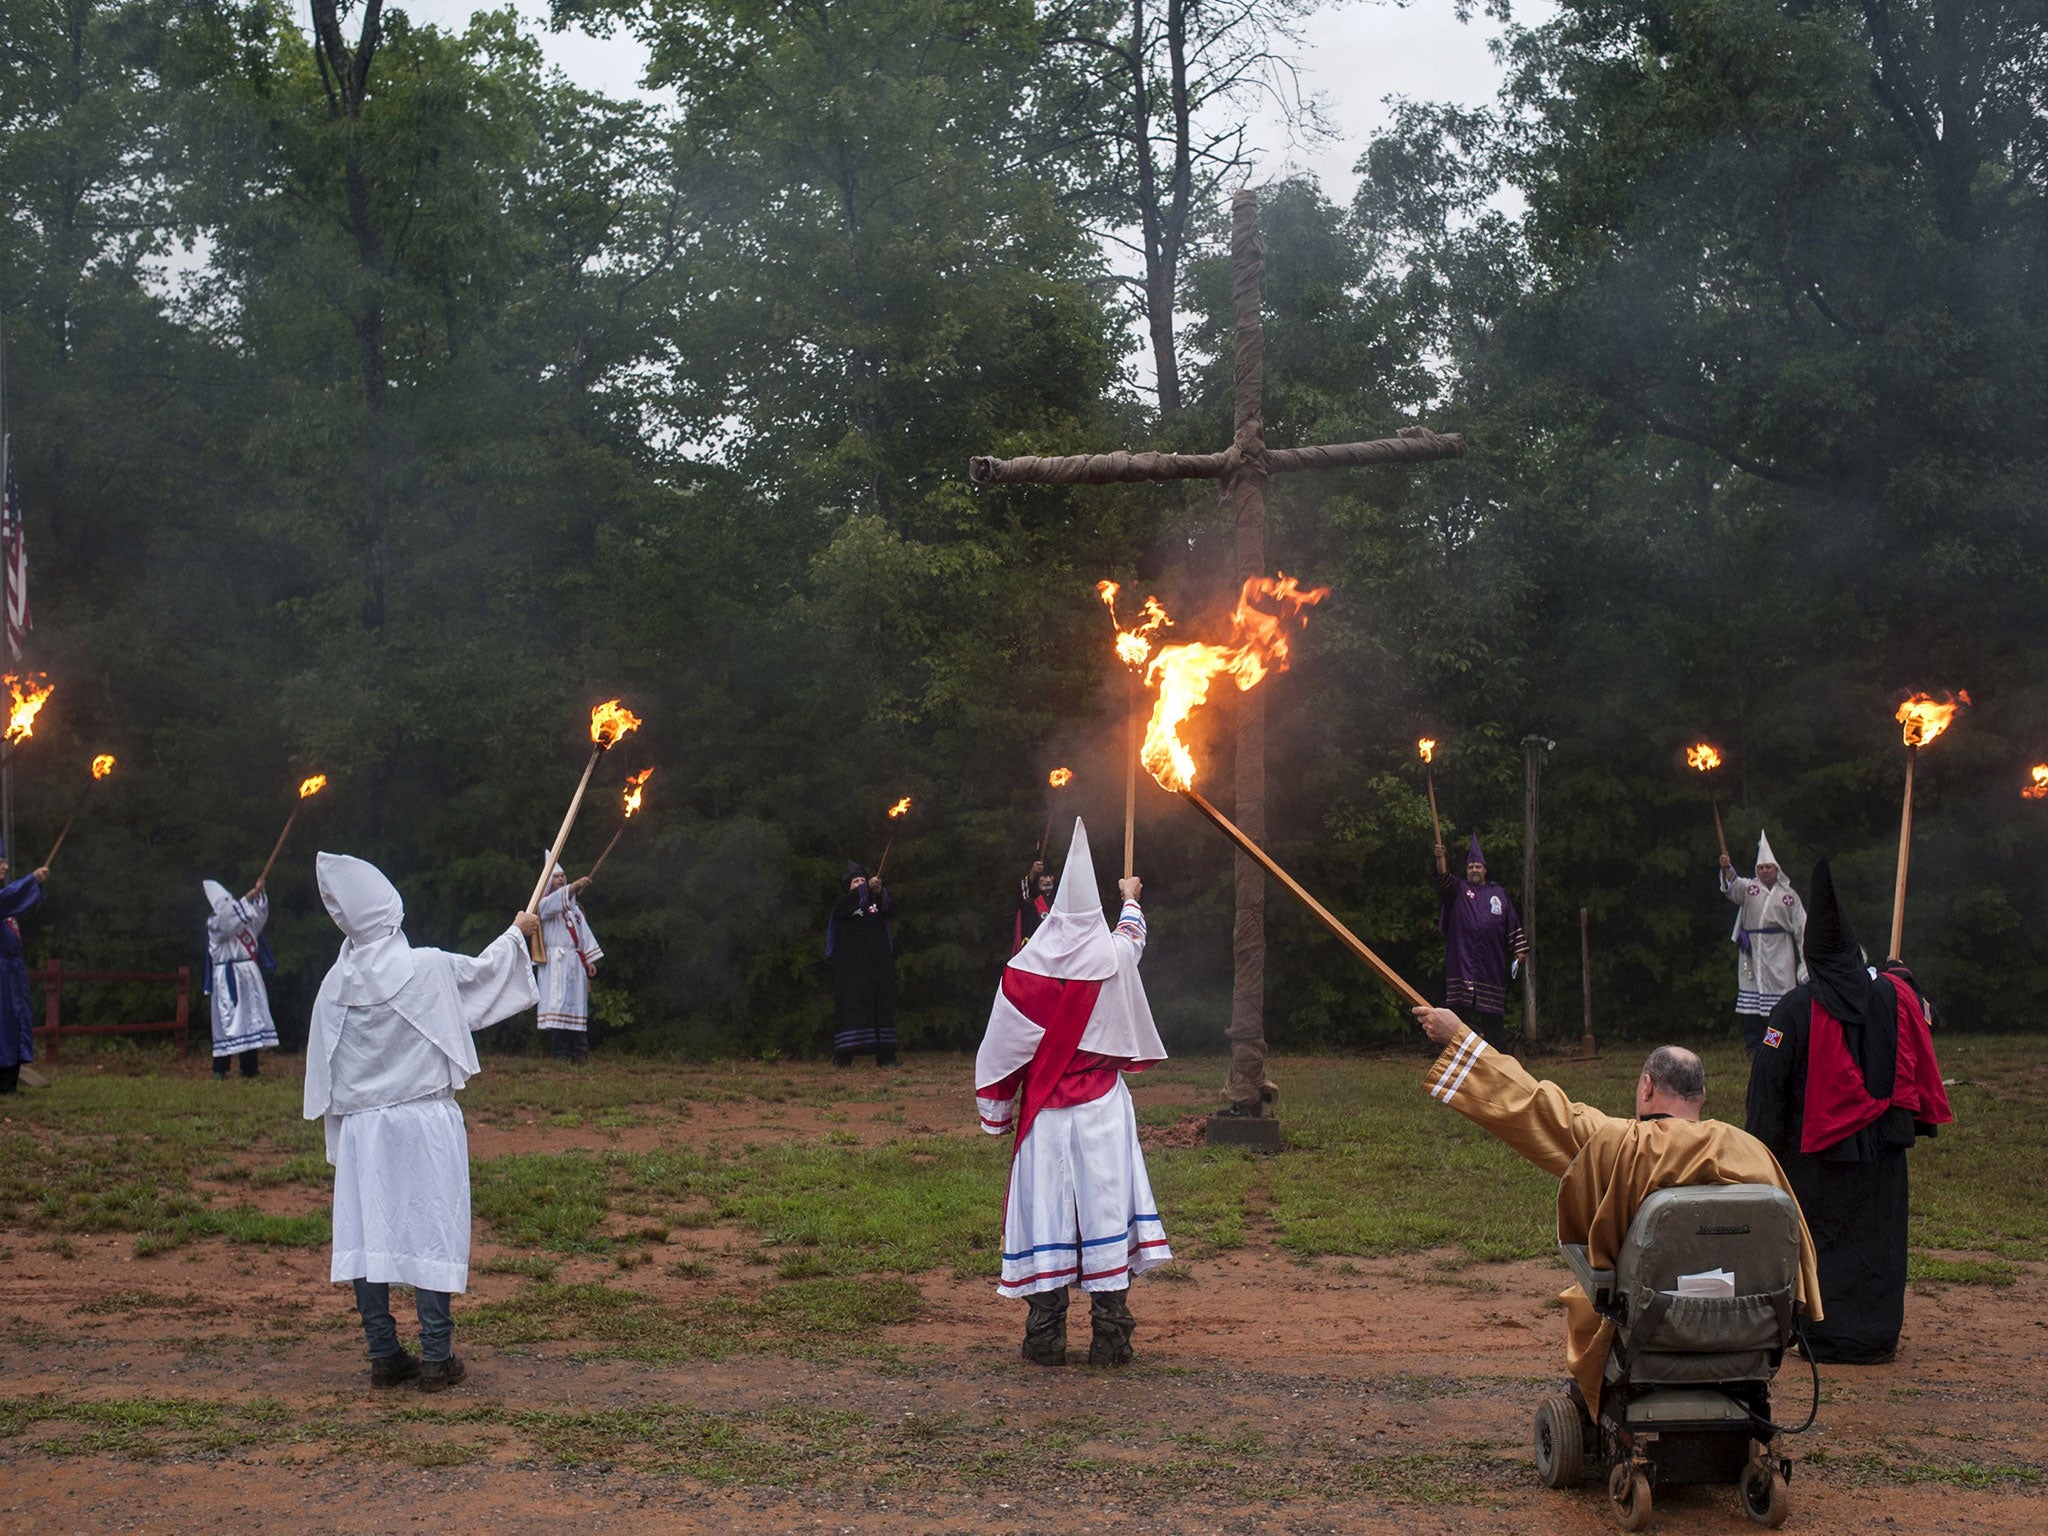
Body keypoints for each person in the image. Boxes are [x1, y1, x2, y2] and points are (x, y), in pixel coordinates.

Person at [1414, 1003, 1821, 1415]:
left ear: (1646, 1087)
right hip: (1743, 1328)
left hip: (1648, 1324)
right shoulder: (1753, 1153)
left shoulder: (1617, 1144)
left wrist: (1459, 1037)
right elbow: (1795, 1249)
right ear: (1701, 1095)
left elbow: (1534, 1103)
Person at [303, 853, 541, 1392]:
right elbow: (483, 982)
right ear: (389, 910)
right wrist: (517, 933)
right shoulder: (427, 967)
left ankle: (384, 1354)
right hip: (422, 1123)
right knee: (430, 1224)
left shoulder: (331, 988)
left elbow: (329, 1074)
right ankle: (435, 1356)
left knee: (370, 1234)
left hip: (365, 1131)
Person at [975, 819, 1170, 1367]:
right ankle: (1111, 1337)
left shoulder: (1020, 972)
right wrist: (1130, 899)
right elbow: (1132, 937)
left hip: (1044, 1115)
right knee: (1106, 1208)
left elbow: (998, 1053)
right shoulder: (1111, 956)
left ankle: (1045, 1334)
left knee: (1047, 1212)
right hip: (1103, 1107)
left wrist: (995, 1114)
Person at [1746, 860, 1951, 1364]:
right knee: (1878, 1236)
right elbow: (1930, 1020)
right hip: (1882, 1154)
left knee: (1824, 1240)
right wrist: (1901, 979)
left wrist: (1759, 1151)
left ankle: (1826, 1334)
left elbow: (1768, 1087)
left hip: (1815, 1154)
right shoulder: (1896, 998)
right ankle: (1877, 1332)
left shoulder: (1793, 1010)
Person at [1431, 832, 1528, 1051]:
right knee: (1457, 1021)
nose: (1474, 870)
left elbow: (1512, 922)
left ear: (1485, 869)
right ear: (1467, 870)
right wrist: (1439, 859)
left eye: (1478, 866)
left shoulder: (1498, 894)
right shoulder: (1459, 890)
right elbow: (1443, 880)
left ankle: (1501, 1067)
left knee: (1493, 1025)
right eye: (1471, 866)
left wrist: (1519, 950)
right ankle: (1454, 1063)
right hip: (1462, 964)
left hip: (1489, 967)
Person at [1720, 830, 1807, 1054]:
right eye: (1761, 867)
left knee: (1779, 1004)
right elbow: (1733, 888)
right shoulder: (1750, 888)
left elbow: (1801, 928)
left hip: (1779, 951)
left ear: (1776, 869)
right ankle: (1753, 1045)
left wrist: (1805, 960)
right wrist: (1726, 868)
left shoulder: (1789, 895)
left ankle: (1773, 1044)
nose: (1764, 871)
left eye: (1768, 867)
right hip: (1753, 951)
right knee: (1752, 1002)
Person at [203, 877, 278, 1078]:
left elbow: (258, 918)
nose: (230, 905)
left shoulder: (243, 920)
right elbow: (228, 923)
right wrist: (248, 897)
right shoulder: (214, 924)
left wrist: (259, 894)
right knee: (227, 1021)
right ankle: (220, 1068)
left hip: (248, 975)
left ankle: (249, 1068)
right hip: (227, 978)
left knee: (250, 1019)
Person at [827, 862, 896, 1067]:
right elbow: (845, 908)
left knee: (881, 1008)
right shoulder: (844, 904)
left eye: (862, 881)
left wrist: (880, 890)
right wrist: (867, 888)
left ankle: (886, 1056)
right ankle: (844, 1057)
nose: (859, 884)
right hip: (851, 969)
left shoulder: (876, 903)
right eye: (855, 882)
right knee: (851, 1009)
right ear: (849, 887)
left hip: (878, 967)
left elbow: (890, 909)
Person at [534, 864, 602, 1063]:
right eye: (556, 877)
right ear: (549, 882)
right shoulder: (544, 906)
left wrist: (588, 959)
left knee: (577, 1007)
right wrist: (575, 885)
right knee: (560, 1007)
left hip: (575, 964)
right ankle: (560, 1055)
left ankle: (580, 1054)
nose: (561, 879)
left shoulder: (576, 912)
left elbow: (584, 936)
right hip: (556, 964)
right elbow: (557, 900)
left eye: (563, 876)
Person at [0, 845, 48, 1094]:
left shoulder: (7, 901)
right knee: (3, 1023)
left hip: (12, 969)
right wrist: (31, 880)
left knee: (16, 1022)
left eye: (6, 861)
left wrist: (34, 884)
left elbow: (14, 901)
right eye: (0, 862)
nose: (5, 866)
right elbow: (8, 898)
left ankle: (9, 1082)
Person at [1013, 858, 1055, 955]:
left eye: (1050, 876)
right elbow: (1028, 892)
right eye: (1043, 877)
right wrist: (1033, 873)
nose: (1048, 880)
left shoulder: (1058, 899)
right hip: (1032, 951)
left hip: (1053, 950)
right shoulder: (1030, 899)